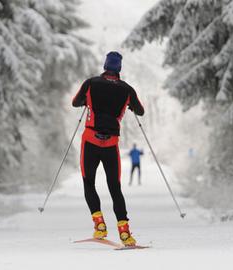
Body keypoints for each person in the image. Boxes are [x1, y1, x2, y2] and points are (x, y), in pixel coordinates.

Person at [72, 51, 144, 246]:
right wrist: (129, 105)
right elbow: (141, 111)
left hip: (90, 142)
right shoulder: (127, 89)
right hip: (111, 144)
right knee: (115, 187)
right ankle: (124, 232)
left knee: (89, 183)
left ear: (105, 66)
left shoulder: (91, 83)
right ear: (119, 68)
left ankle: (99, 225)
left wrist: (88, 101)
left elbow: (75, 102)